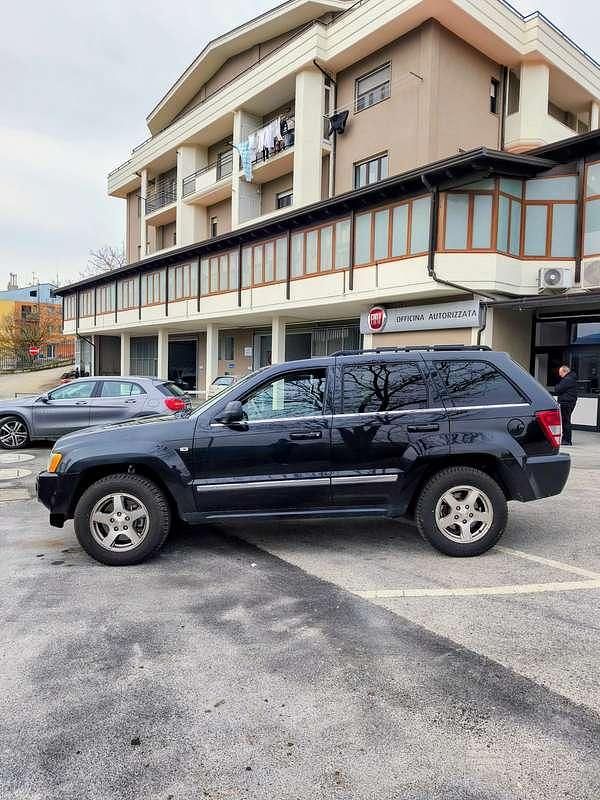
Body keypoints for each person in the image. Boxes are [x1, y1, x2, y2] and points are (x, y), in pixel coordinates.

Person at [555, 365, 578, 446]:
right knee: (566, 421)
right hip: (568, 402)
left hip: (566, 402)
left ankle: (567, 440)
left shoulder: (567, 379)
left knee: (565, 421)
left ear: (565, 371)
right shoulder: (571, 378)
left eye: (560, 373)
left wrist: (557, 386)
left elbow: (558, 389)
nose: (560, 375)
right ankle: (566, 439)